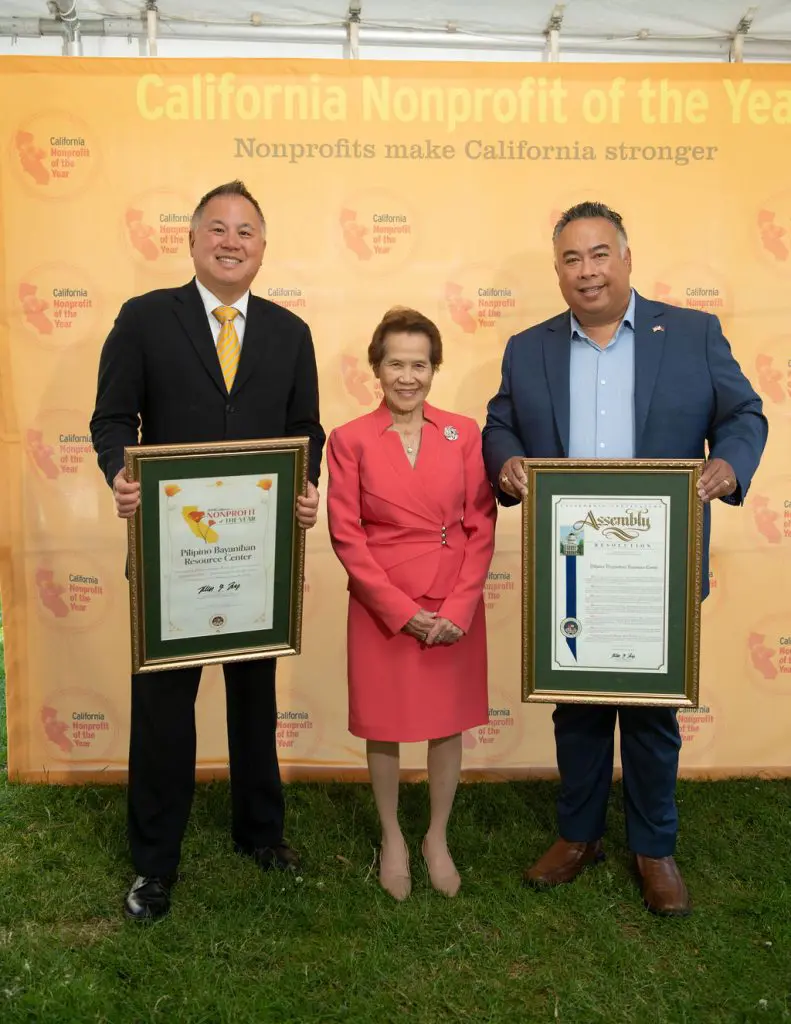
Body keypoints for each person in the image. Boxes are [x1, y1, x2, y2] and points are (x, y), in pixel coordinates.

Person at [483, 201, 767, 917]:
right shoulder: (527, 348)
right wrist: (506, 462)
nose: (587, 271)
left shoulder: (694, 333)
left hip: (657, 565)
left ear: (626, 257)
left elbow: (743, 415)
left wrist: (729, 467)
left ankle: (653, 847)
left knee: (650, 713)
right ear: (557, 272)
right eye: (571, 259)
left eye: (599, 253)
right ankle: (577, 835)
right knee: (575, 709)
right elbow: (500, 423)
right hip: (568, 563)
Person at [90, 180, 325, 921]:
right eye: (216, 229)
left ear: (263, 247)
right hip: (173, 555)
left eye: (246, 231)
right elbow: (110, 418)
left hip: (258, 555)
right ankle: (154, 865)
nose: (231, 241)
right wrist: (122, 471)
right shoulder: (144, 318)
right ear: (191, 241)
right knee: (163, 709)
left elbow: (306, 430)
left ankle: (262, 833)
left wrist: (306, 486)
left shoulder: (290, 332)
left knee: (255, 702)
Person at [327, 307, 496, 900]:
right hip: (385, 609)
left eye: (418, 364)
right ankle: (394, 836)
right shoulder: (348, 439)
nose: (407, 376)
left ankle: (437, 837)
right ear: (376, 367)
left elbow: (480, 522)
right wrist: (400, 611)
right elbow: (346, 534)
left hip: (454, 605)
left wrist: (459, 607)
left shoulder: (464, 433)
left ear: (434, 369)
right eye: (395, 363)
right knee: (386, 724)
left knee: (446, 724)